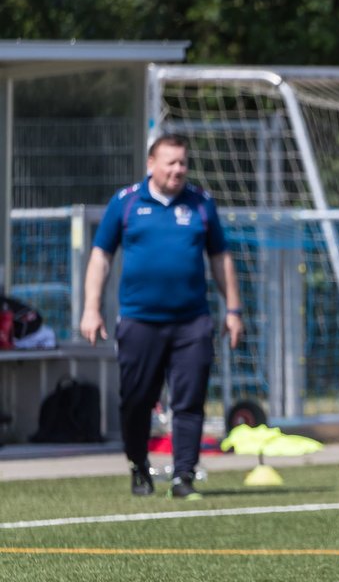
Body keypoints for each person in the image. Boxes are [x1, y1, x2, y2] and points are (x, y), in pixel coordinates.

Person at [80, 133, 244, 499]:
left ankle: (183, 475)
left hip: (192, 322)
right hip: (139, 321)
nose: (177, 169)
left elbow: (220, 258)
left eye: (182, 162)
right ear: (151, 164)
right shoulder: (125, 203)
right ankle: (139, 465)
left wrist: (233, 309)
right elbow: (101, 256)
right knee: (137, 400)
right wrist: (91, 309)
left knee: (189, 400)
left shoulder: (201, 203)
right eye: (170, 162)